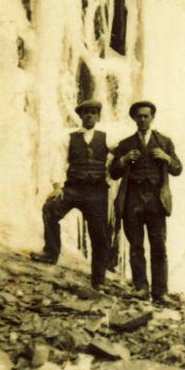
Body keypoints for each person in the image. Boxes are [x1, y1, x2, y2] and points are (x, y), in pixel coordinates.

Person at [30, 99, 110, 288]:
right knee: (50, 209)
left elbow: (117, 159)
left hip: (97, 192)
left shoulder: (106, 138)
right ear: (80, 116)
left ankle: (99, 280)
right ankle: (51, 253)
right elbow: (58, 161)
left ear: (98, 117)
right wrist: (57, 187)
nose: (89, 115)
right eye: (86, 112)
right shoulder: (69, 138)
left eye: (93, 112)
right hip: (74, 188)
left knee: (99, 234)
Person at [109, 100, 182, 303]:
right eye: (138, 116)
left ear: (152, 118)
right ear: (134, 118)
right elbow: (113, 173)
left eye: (146, 116)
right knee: (136, 246)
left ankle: (160, 292)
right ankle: (141, 287)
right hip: (133, 199)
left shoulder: (165, 142)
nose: (142, 119)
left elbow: (178, 169)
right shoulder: (125, 144)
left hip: (156, 200)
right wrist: (123, 160)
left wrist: (167, 158)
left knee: (159, 246)